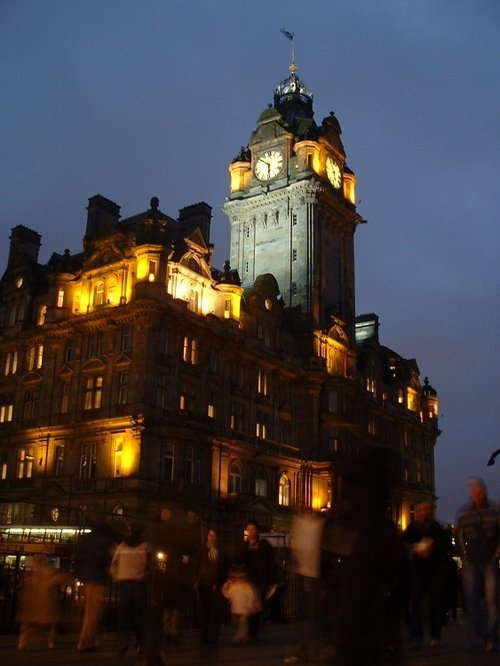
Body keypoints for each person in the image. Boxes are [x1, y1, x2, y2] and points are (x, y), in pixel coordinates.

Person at [456, 477, 499, 653]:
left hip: (489, 560)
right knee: (471, 599)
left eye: (478, 490)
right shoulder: (464, 513)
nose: (476, 493)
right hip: (473, 561)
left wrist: (496, 555)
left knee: (492, 600)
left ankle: (490, 638)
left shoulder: (494, 511)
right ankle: (481, 633)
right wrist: (465, 557)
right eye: (473, 490)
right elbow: (460, 536)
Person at [73, 507, 119, 652]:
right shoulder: (107, 535)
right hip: (97, 576)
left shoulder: (89, 537)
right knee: (93, 612)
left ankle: (90, 640)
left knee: (91, 611)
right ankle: (85, 641)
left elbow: (80, 556)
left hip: (87, 577)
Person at [402, 501, 447, 648]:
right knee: (416, 603)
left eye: (425, 509)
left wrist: (431, 548)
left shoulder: (435, 528)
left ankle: (434, 636)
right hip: (418, 570)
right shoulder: (411, 529)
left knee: (435, 603)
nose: (423, 512)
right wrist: (414, 549)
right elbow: (404, 543)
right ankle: (416, 636)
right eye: (421, 510)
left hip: (434, 569)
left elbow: (443, 546)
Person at [110, 522, 151, 656]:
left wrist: (117, 576)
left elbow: (114, 564)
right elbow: (151, 566)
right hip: (139, 583)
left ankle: (123, 643)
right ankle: (141, 644)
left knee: (124, 615)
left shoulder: (122, 546)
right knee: (140, 616)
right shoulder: (145, 546)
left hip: (124, 582)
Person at [16, 554, 73, 650]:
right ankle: (51, 640)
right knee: (52, 622)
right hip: (47, 601)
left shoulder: (33, 574)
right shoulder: (51, 573)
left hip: (34, 602)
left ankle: (22, 640)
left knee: (28, 622)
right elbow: (62, 578)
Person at [240, 520, 277, 641]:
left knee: (255, 605)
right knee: (248, 607)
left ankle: (253, 632)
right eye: (248, 530)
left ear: (257, 531)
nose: (250, 532)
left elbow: (270, 562)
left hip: (260, 579)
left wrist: (272, 579)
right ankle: (249, 631)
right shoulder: (244, 546)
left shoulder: (264, 545)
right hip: (247, 580)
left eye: (253, 530)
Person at [197, 528, 227, 644]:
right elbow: (197, 566)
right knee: (204, 611)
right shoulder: (202, 551)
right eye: (210, 535)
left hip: (217, 585)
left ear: (217, 538)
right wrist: (197, 580)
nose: (211, 538)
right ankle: (204, 635)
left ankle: (213, 636)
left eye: (214, 536)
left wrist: (222, 581)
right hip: (204, 585)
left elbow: (224, 567)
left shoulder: (222, 552)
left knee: (215, 612)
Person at [222, 563, 262, 643]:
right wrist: (226, 585)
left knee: (243, 625)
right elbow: (226, 593)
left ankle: (241, 637)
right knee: (236, 625)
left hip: (244, 610)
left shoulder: (247, 587)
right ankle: (239, 636)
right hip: (235, 610)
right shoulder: (234, 586)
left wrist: (250, 606)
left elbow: (251, 596)